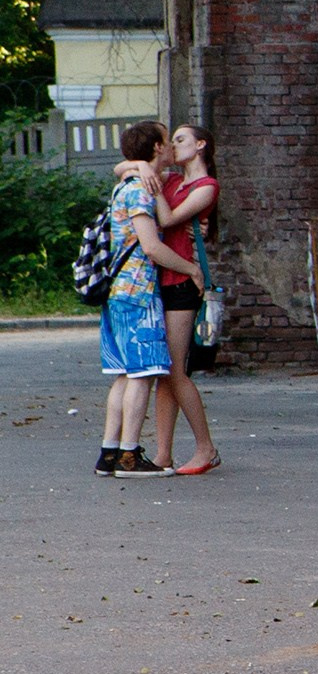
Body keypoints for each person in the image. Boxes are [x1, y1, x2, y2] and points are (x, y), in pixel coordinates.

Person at [95, 121, 200, 478]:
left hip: (117, 294)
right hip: (137, 294)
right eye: (167, 140)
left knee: (124, 375)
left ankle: (109, 453)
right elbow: (152, 247)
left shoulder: (125, 184)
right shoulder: (139, 189)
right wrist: (192, 269)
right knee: (142, 375)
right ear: (156, 148)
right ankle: (129, 456)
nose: (171, 146)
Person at [135, 124, 221, 475]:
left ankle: (206, 448)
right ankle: (163, 454)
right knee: (163, 373)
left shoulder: (206, 187)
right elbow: (120, 167)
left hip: (184, 281)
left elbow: (168, 218)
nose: (173, 145)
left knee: (174, 368)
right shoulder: (169, 180)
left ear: (201, 145)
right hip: (161, 281)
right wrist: (142, 167)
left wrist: (152, 182)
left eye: (181, 139)